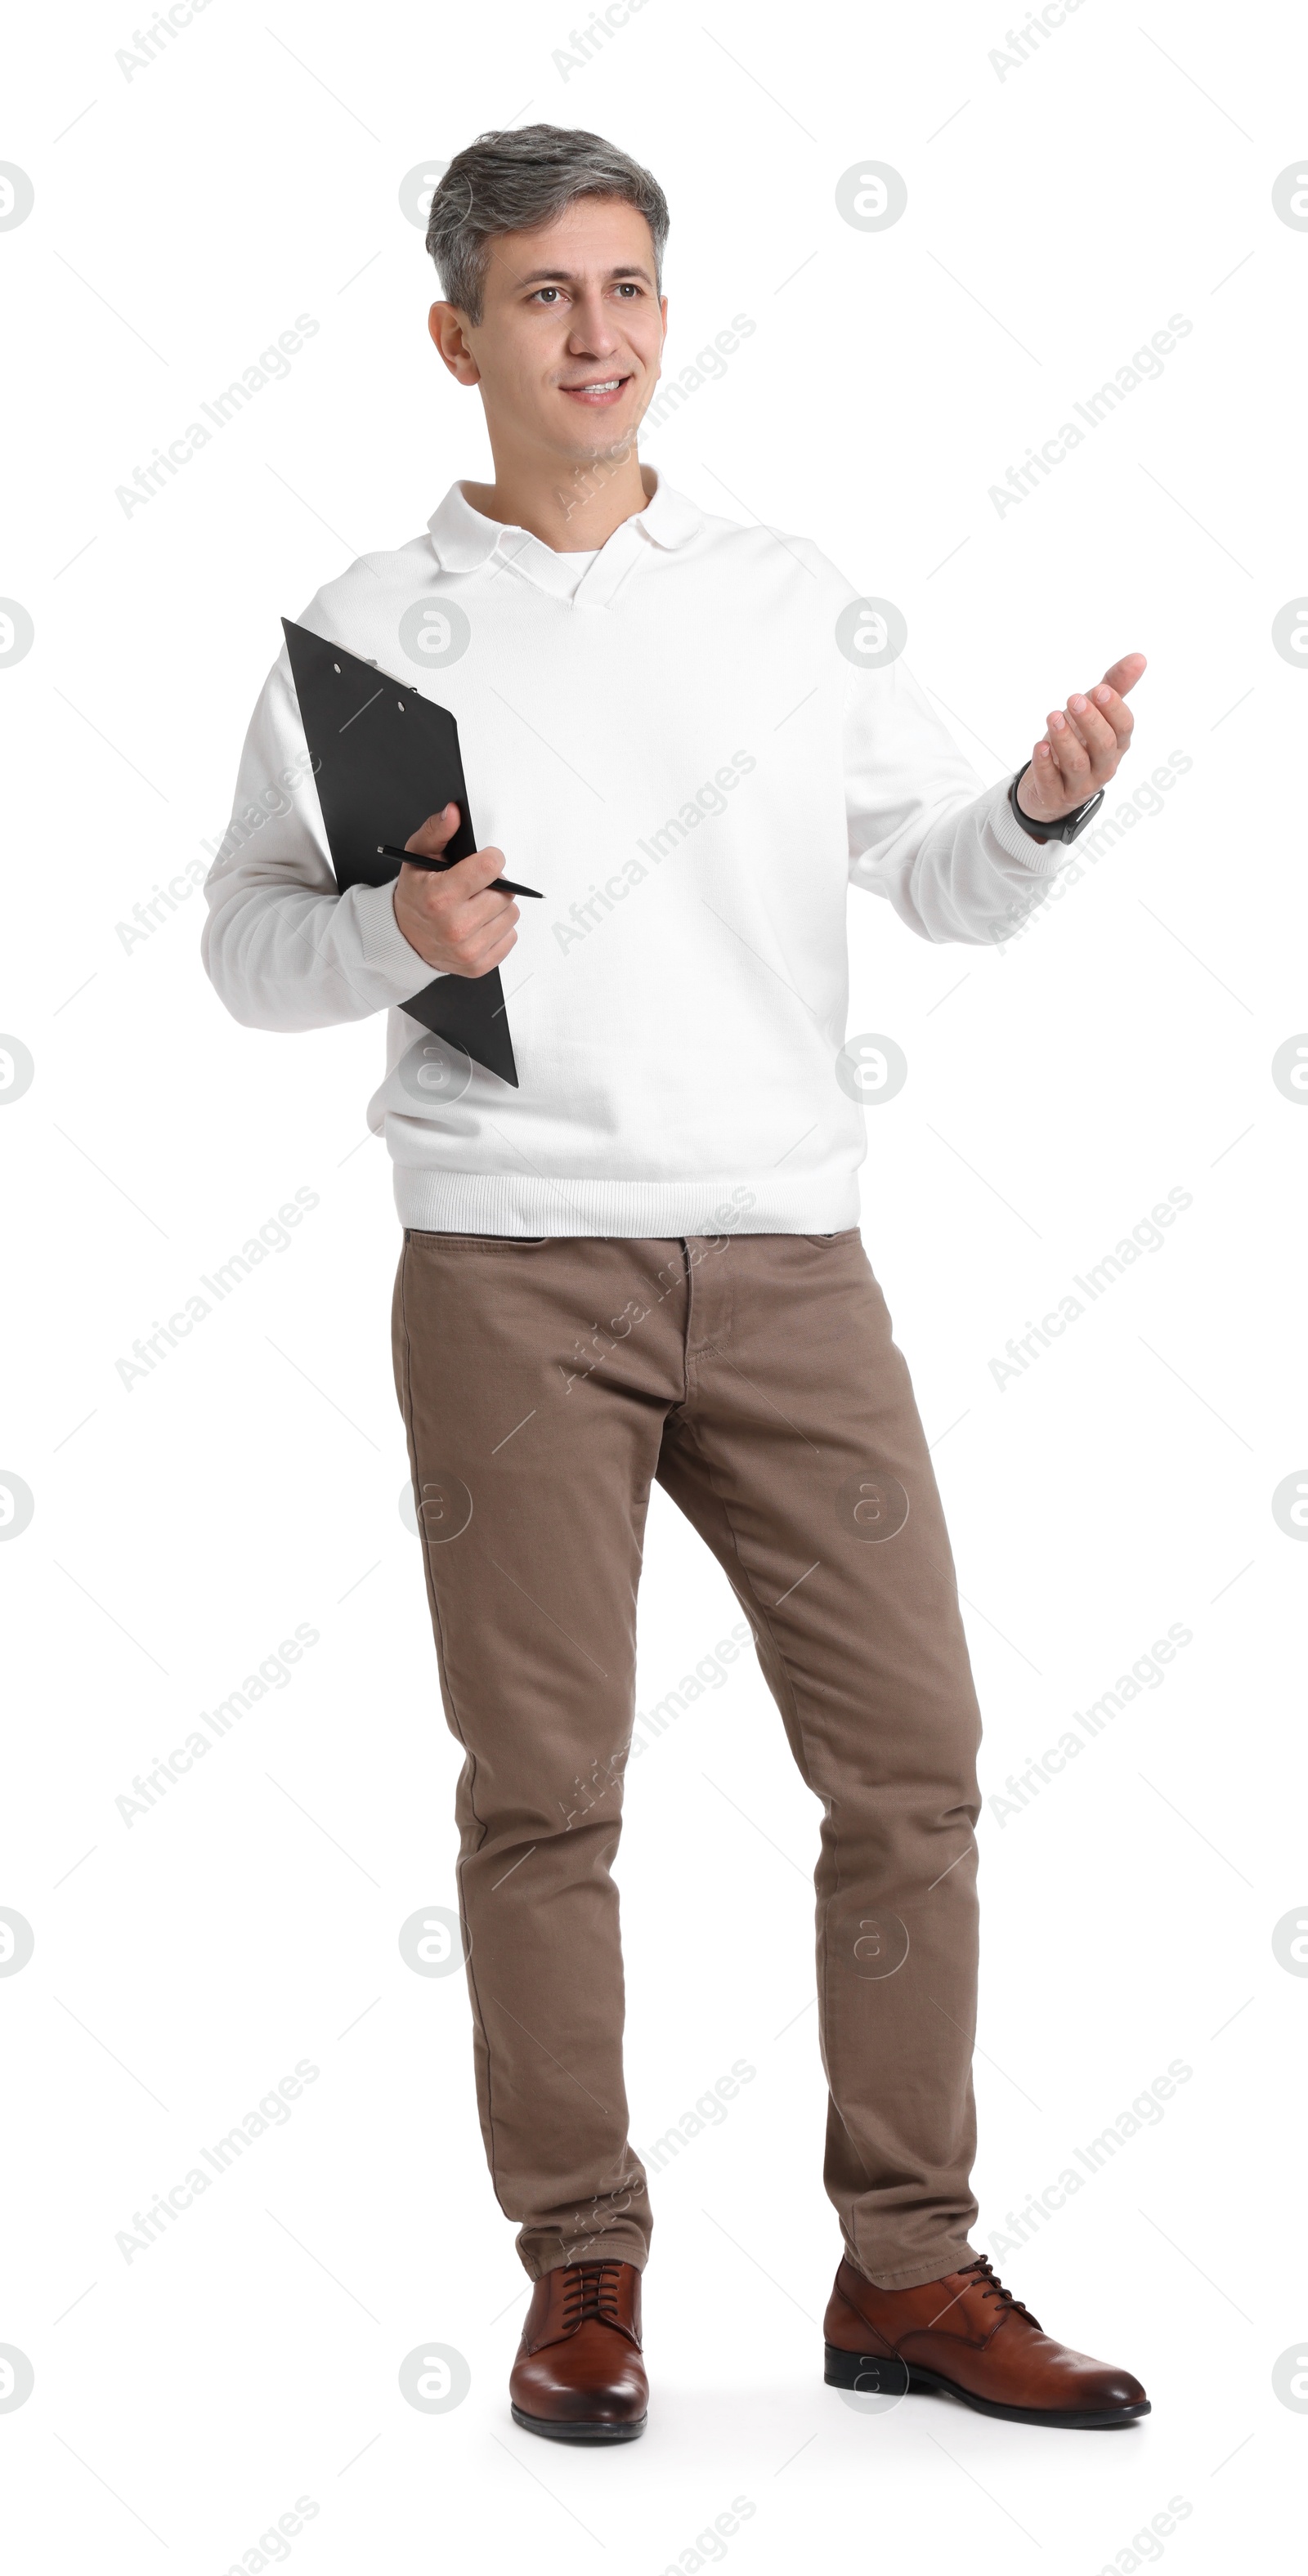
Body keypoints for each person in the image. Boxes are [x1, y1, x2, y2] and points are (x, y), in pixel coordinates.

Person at [202, 122, 1149, 2444]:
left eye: (626, 285)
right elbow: (243, 949)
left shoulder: (782, 588)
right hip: (512, 1271)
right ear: (460, 338)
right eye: (544, 295)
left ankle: (906, 2274)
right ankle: (585, 2277)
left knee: (911, 1758)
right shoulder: (364, 626)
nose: (598, 330)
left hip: (794, 1263)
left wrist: (1033, 810)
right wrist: (393, 936)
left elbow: (940, 884)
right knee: (546, 1791)